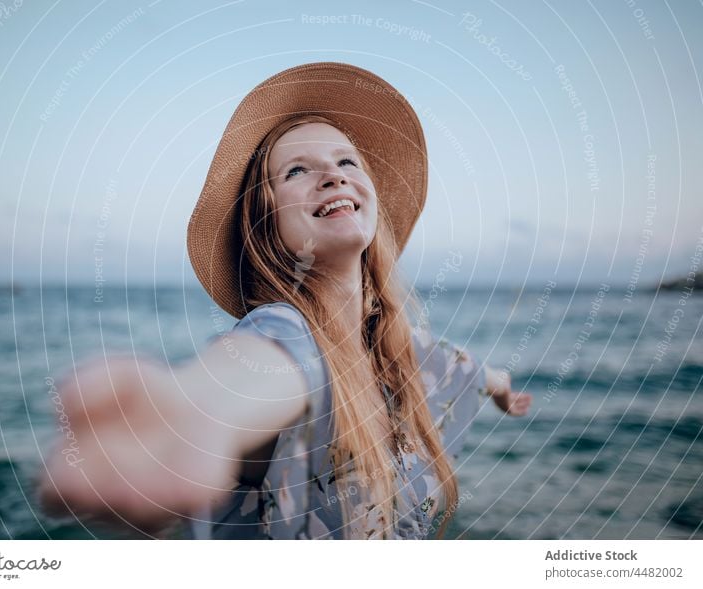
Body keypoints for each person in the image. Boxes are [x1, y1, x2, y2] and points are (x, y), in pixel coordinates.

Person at [38, 62, 531, 540]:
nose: (333, 176)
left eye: (346, 161)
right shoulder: (283, 331)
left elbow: (459, 365)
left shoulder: (397, 349)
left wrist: (502, 388)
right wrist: (188, 411)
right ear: (266, 219)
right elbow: (256, 372)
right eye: (297, 170)